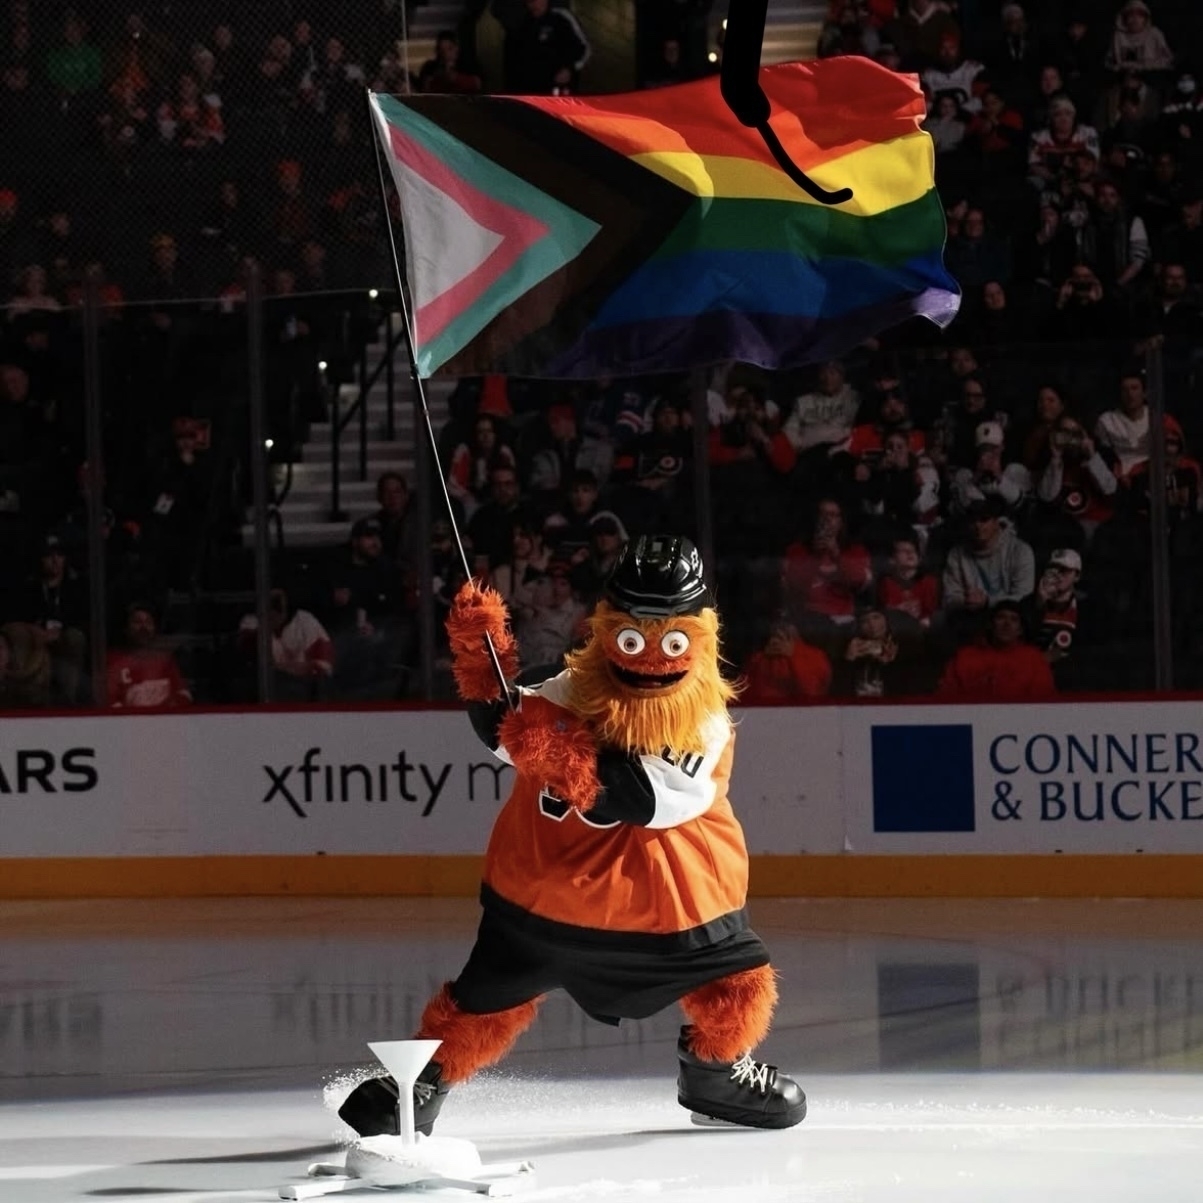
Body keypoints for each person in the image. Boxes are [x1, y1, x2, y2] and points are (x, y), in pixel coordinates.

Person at [338, 535, 806, 1136]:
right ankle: (713, 1075)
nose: (652, 658)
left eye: (673, 641)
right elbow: (507, 725)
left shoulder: (697, 719)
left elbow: (635, 796)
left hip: (549, 905)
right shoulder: (585, 694)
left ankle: (415, 1088)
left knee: (485, 1002)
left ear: (699, 635)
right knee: (735, 985)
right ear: (608, 630)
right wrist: (485, 669)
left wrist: (544, 740)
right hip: (659, 915)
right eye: (634, 639)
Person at [937, 599, 1056, 699]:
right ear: (991, 624)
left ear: (1020, 630)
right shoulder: (964, 657)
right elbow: (946, 698)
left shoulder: (1033, 659)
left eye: (1014, 619)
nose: (1007, 623)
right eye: (1001, 617)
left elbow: (1042, 705)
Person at [106, 604, 191, 709]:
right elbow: (109, 700)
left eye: (148, 622)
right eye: (137, 622)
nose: (144, 627)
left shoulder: (165, 660)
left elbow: (183, 694)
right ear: (126, 629)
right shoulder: (114, 660)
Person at [740, 616, 831, 703]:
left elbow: (812, 693)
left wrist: (792, 657)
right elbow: (748, 694)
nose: (780, 630)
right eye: (777, 624)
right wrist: (762, 660)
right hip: (766, 714)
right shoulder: (758, 658)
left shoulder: (815, 656)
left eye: (786, 624)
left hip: (803, 714)